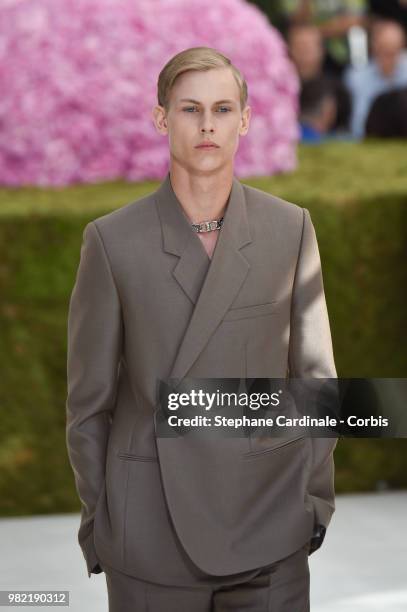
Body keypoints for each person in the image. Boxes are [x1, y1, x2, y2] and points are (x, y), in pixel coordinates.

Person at [66, 46, 338, 611]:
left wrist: (312, 503)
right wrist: (105, 520)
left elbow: (317, 382)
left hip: (269, 526)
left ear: (244, 119)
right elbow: (88, 406)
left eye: (222, 108)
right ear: (162, 118)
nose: (207, 124)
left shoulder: (289, 230)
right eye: (190, 109)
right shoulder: (113, 243)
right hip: (150, 533)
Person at [344, 18, 407, 137]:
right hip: (370, 140)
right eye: (384, 51)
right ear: (374, 48)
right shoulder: (355, 77)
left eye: (393, 52)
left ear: (402, 48)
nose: (388, 58)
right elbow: (356, 125)